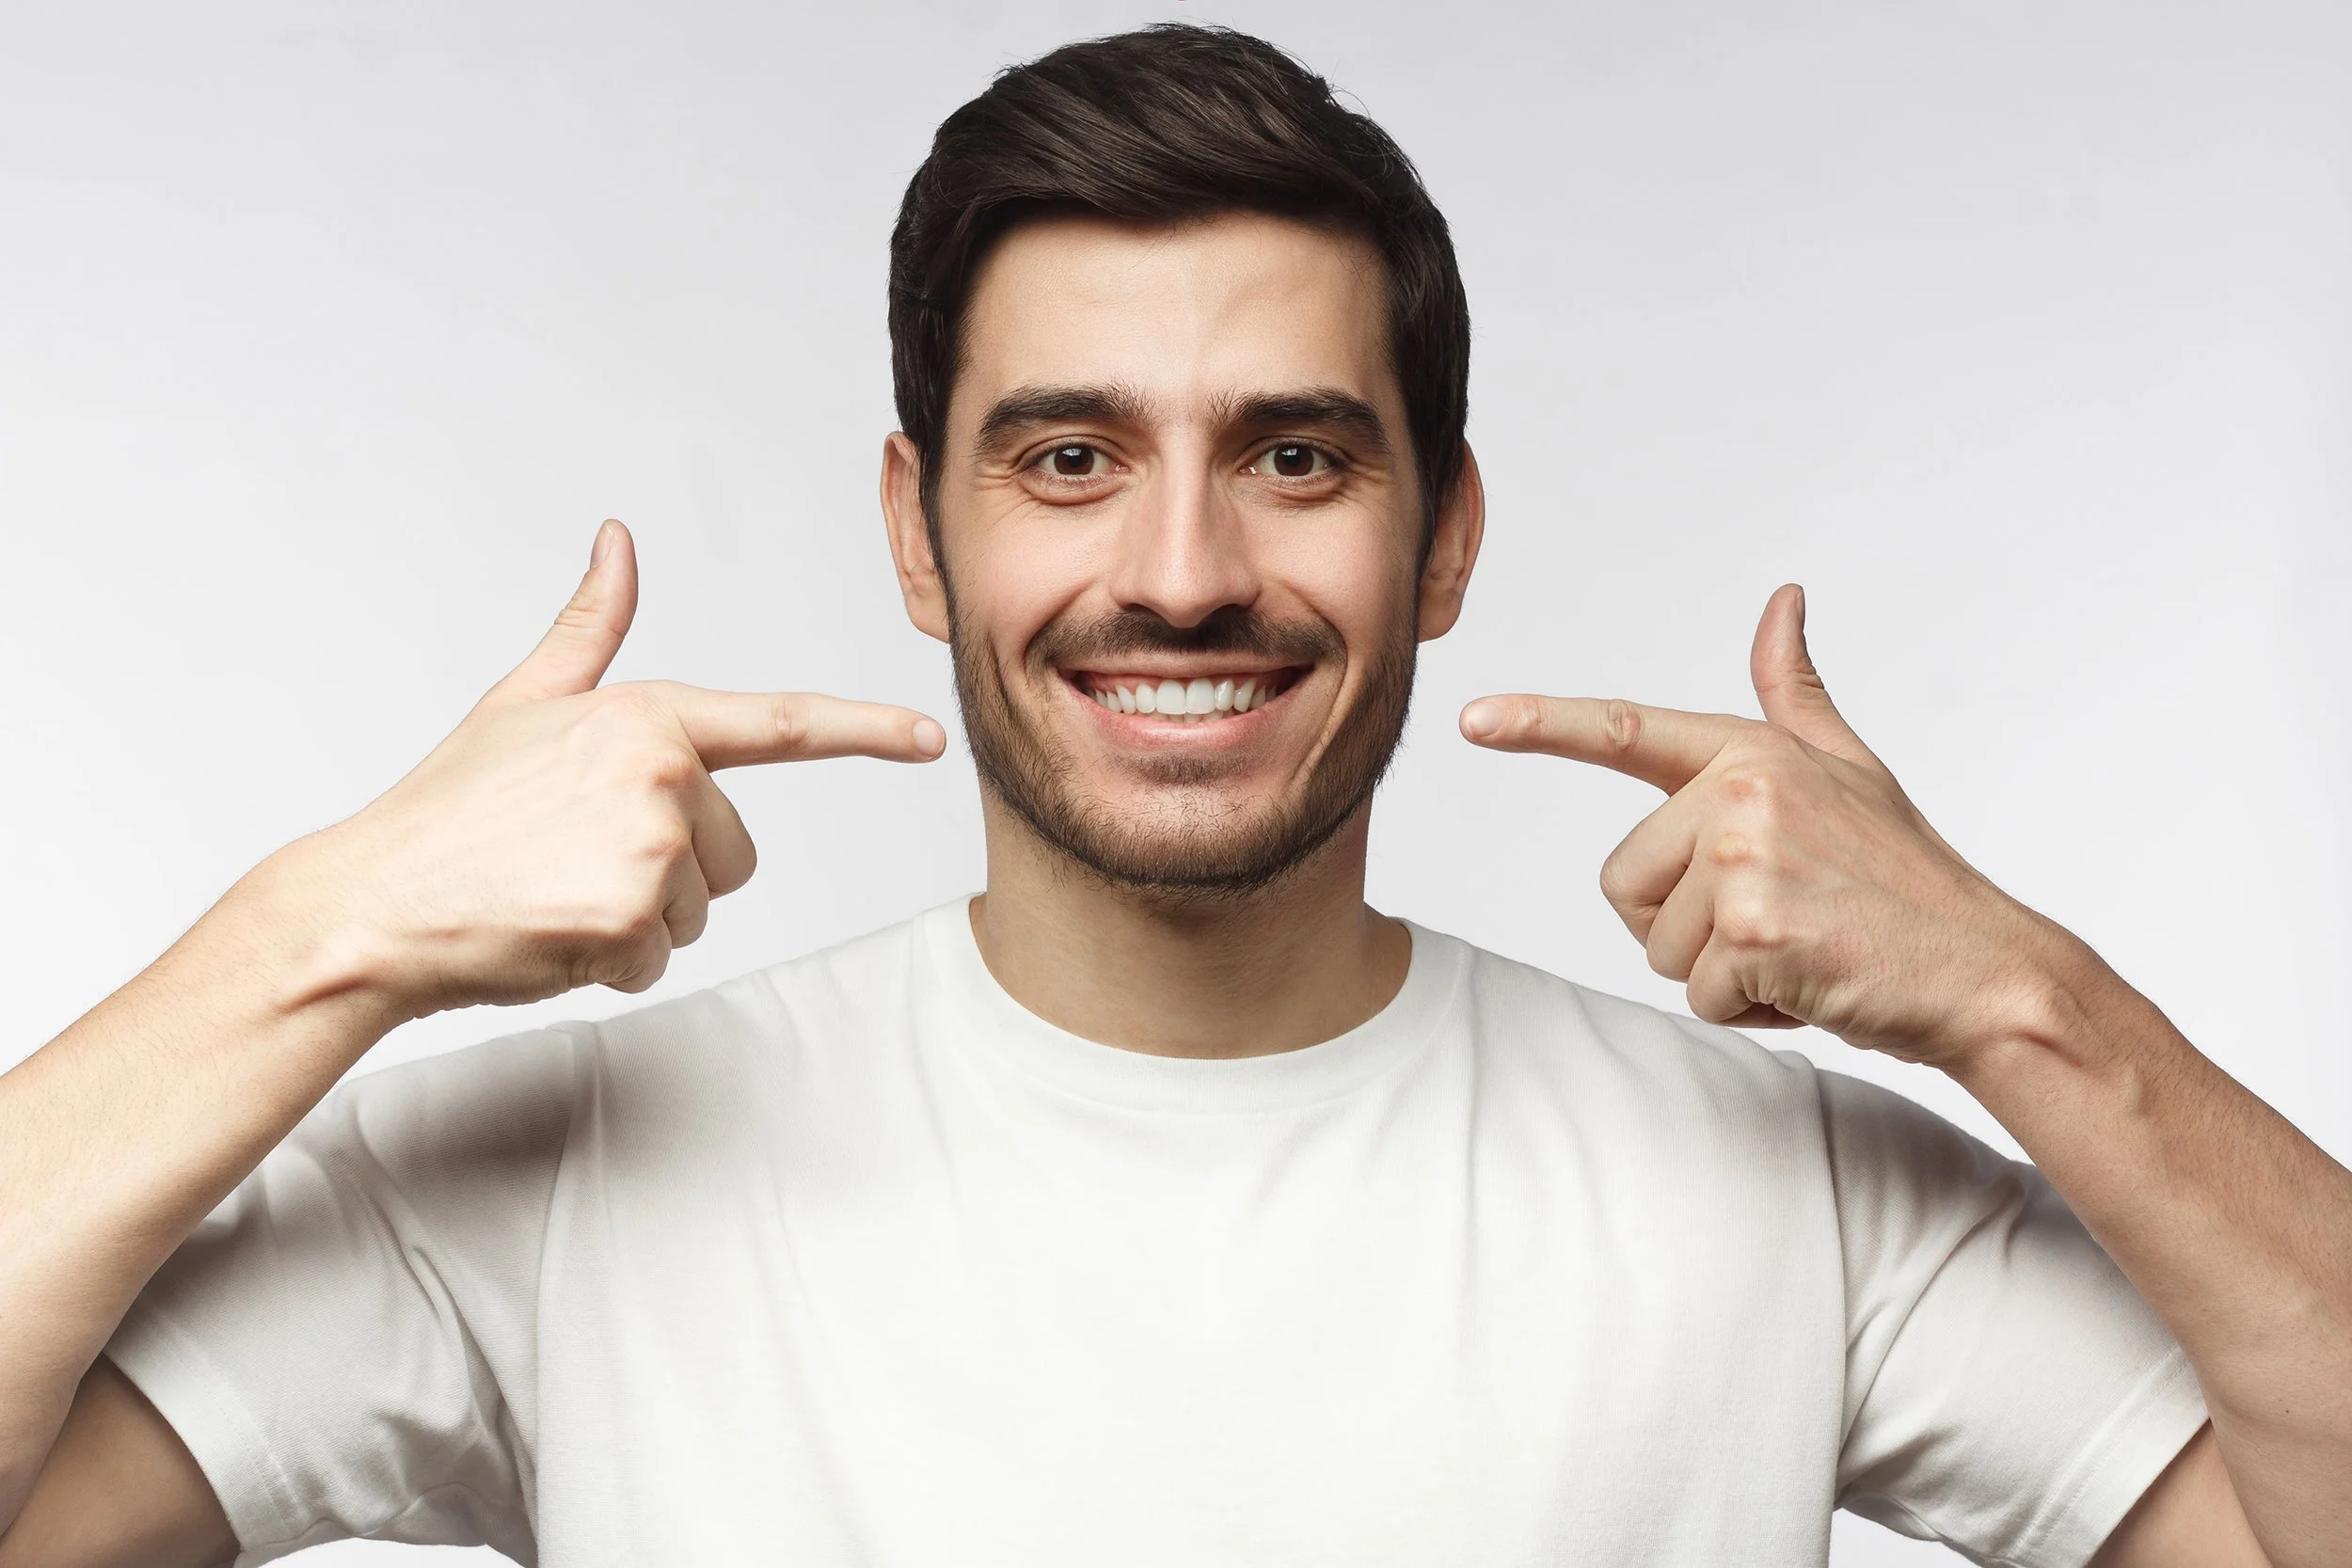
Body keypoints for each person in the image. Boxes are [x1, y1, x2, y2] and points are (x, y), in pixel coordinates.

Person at [0, 23, 2344, 1568]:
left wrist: (2024, 998)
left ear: (1441, 537)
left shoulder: (1783, 1185)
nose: (1185, 573)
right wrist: (316, 931)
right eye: (1068, 456)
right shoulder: (561, 1178)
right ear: (922, 532)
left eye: (1295, 456)